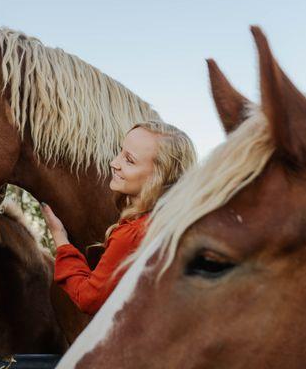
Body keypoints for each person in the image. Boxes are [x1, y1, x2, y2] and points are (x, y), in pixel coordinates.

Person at [41, 120, 196, 315]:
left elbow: (88, 298)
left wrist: (61, 240)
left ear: (158, 177)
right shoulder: (175, 224)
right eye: (120, 152)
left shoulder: (133, 234)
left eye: (129, 160)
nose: (114, 163)